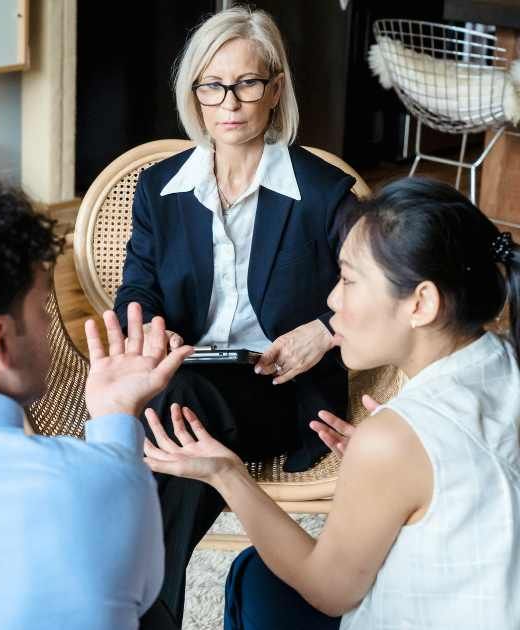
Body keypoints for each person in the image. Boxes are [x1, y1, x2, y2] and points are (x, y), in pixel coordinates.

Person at [144, 178, 520, 628]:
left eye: (348, 279)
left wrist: (226, 474)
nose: (331, 299)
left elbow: (330, 592)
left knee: (257, 579)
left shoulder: (394, 439)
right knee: (258, 576)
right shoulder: (507, 359)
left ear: (421, 303)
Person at [113, 8, 359, 624]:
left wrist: (325, 333)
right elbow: (136, 288)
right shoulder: (159, 188)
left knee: (168, 413)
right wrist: (153, 328)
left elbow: (387, 284)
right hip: (186, 373)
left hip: (283, 388)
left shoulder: (322, 193)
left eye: (248, 83)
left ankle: (131, 605)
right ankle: (149, 608)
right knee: (176, 405)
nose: (230, 102)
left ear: (275, 90)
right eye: (213, 85)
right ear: (194, 91)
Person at [0, 178, 194, 629]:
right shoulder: (98, 478)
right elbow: (140, 598)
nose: (50, 327)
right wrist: (114, 431)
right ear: (1, 341)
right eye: (44, 313)